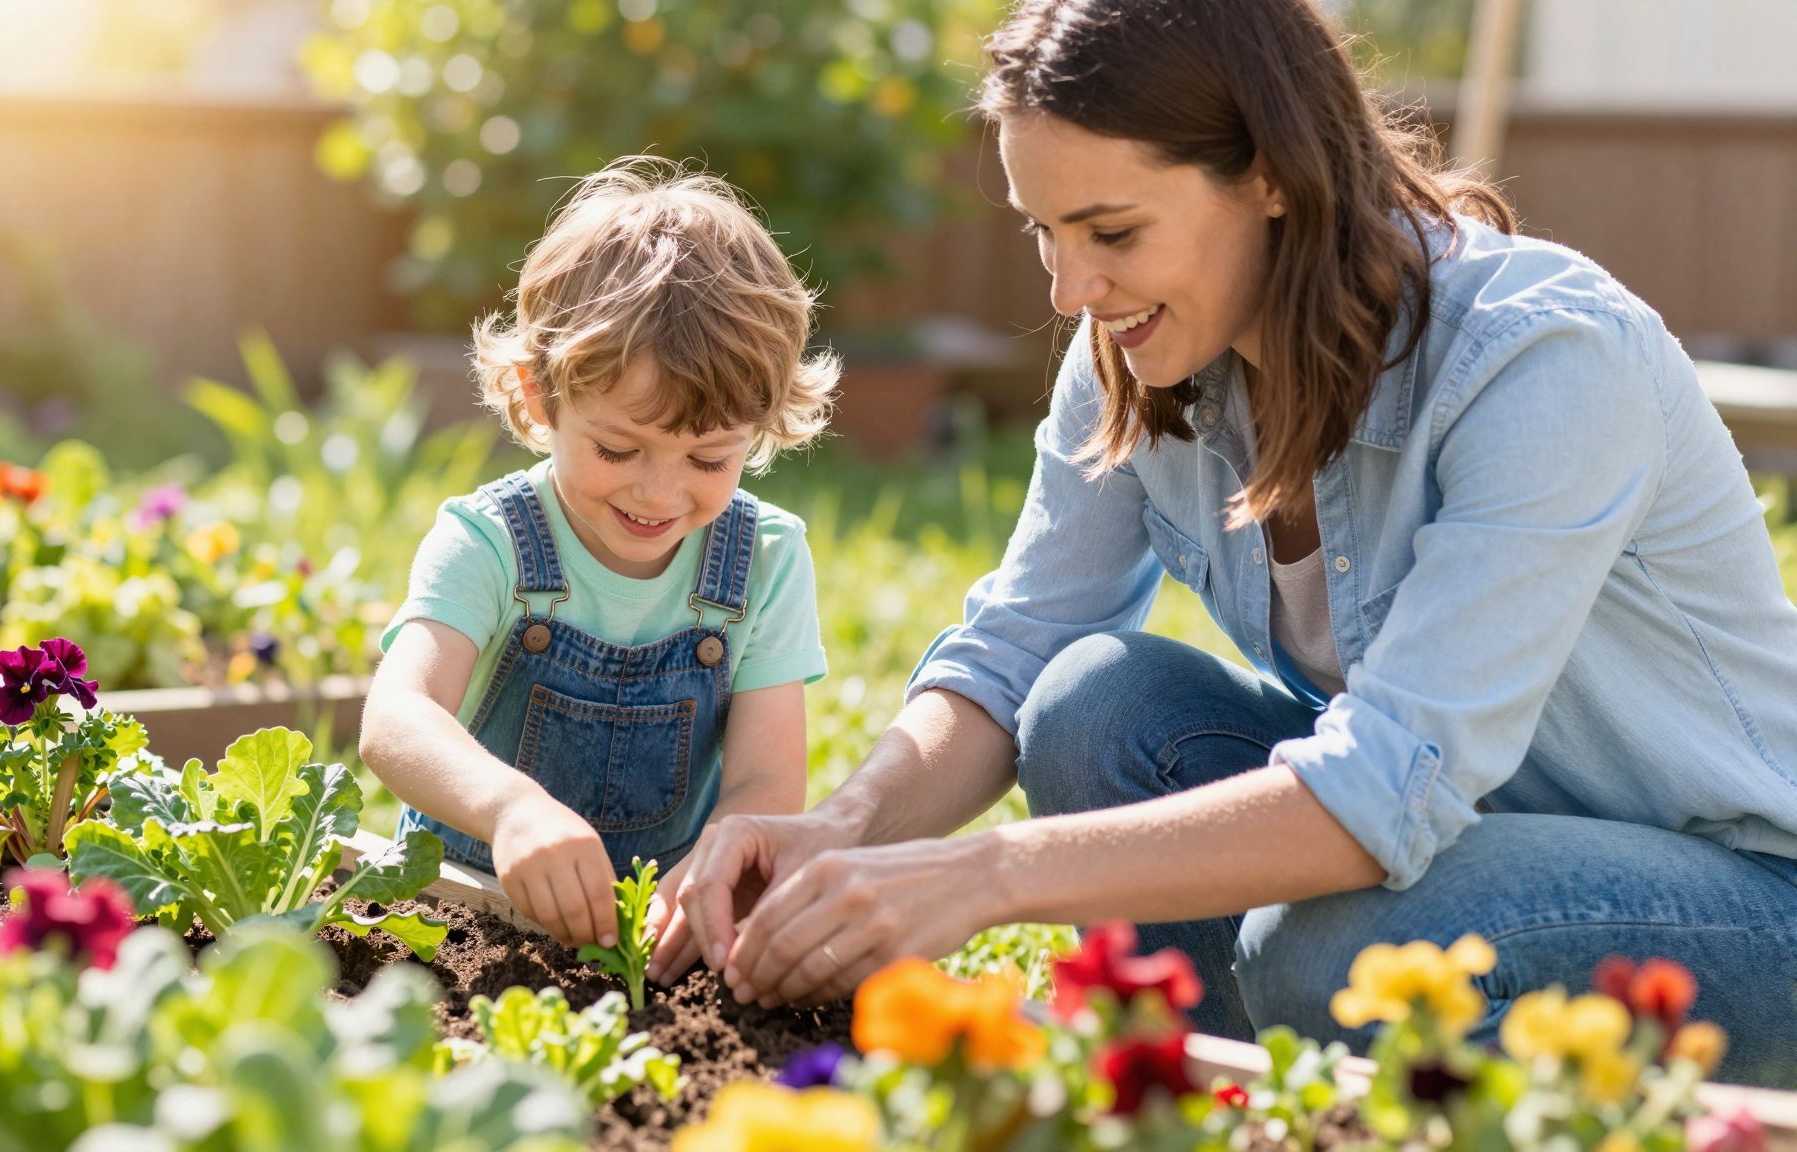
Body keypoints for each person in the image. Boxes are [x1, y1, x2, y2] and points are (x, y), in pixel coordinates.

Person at [658, 0, 1797, 1085]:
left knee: (1334, 952)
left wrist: (983, 874)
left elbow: (1386, 785)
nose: (1068, 290)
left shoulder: (1539, 360)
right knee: (1094, 701)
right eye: (1043, 233)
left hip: (1744, 897)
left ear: (1266, 173)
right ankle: (1228, 1095)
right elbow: (1016, 648)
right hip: (1458, 852)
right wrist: (833, 831)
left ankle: (1310, 1047)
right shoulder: (1140, 346)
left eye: (1109, 231)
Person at [360, 157, 836, 951]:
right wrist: (508, 807)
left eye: (709, 460)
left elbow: (767, 777)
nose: (659, 493)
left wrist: (721, 861)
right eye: (618, 449)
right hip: (467, 919)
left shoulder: (766, 559)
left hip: (656, 940)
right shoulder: (492, 540)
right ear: (542, 396)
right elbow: (396, 719)